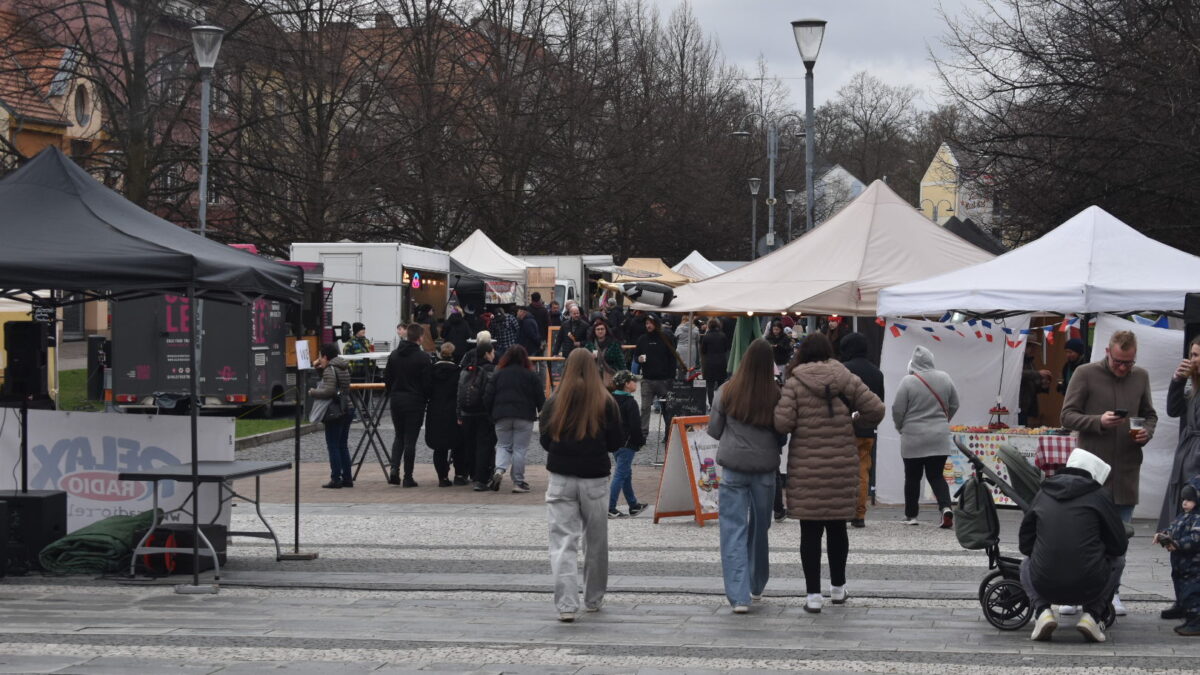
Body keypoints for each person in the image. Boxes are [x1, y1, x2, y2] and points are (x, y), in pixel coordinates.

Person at [774, 333, 884, 614]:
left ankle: (813, 596)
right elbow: (877, 409)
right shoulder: (844, 377)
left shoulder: (795, 382)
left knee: (809, 531)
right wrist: (855, 419)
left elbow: (783, 424)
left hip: (807, 469)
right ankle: (837, 588)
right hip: (841, 466)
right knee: (837, 528)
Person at [1062, 329, 1157, 615]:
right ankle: (1074, 594)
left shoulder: (1140, 376)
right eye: (1118, 361)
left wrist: (1147, 433)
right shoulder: (1084, 373)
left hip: (1126, 470)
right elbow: (1066, 415)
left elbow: (1150, 415)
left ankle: (1111, 593)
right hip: (1091, 472)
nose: (1123, 368)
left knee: (1119, 539)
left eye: (1128, 362)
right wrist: (1098, 421)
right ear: (1107, 352)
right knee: (1083, 536)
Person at [540, 348, 623, 622]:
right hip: (595, 477)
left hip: (561, 476)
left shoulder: (555, 400)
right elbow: (615, 442)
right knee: (596, 540)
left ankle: (566, 605)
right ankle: (593, 597)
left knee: (563, 541)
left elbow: (544, 438)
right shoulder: (606, 401)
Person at [1021, 449, 1128, 643]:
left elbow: (1024, 544)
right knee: (1118, 560)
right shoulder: (1100, 496)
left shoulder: (1043, 492)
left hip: (1044, 583)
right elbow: (1118, 547)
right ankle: (1092, 617)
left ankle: (1042, 611)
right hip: (1090, 584)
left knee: (1025, 563)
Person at [710, 339, 783, 612]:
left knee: (732, 529)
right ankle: (756, 584)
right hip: (764, 469)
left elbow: (715, 429)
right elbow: (782, 431)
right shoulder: (776, 394)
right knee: (760, 529)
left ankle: (738, 596)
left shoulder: (726, 391)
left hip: (733, 467)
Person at [892, 345, 959, 527]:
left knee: (912, 477)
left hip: (913, 436)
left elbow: (897, 409)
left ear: (913, 363)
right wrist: (944, 420)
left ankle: (911, 515)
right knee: (936, 475)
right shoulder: (945, 378)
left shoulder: (908, 381)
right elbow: (955, 403)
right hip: (939, 436)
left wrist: (900, 426)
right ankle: (945, 508)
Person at [1157, 336, 1200, 620]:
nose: (1193, 359)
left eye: (1198, 356)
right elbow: (1173, 410)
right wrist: (1176, 379)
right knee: (1178, 531)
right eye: (1192, 354)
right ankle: (1183, 599)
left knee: (1194, 536)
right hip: (1186, 457)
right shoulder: (1190, 386)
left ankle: (1195, 603)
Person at [484, 345, 544, 494]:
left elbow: (488, 395)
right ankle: (518, 482)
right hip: (524, 415)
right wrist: (541, 412)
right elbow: (540, 397)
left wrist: (491, 412)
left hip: (501, 415)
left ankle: (499, 470)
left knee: (503, 445)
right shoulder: (531, 375)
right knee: (519, 449)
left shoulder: (499, 373)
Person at [841, 332, 884, 528]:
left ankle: (844, 510)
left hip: (845, 429)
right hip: (867, 430)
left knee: (842, 472)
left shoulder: (844, 370)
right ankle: (860, 513)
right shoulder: (877, 373)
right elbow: (879, 403)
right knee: (862, 472)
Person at [383, 323, 431, 487]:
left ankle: (394, 469)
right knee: (410, 439)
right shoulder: (423, 358)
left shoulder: (394, 355)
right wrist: (426, 397)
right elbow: (427, 383)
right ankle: (408, 476)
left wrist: (393, 392)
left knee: (399, 436)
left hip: (396, 399)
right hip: (415, 401)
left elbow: (387, 378)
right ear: (419, 338)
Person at [1156, 477, 1200, 636]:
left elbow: (1196, 540)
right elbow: (1172, 528)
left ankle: (1196, 621)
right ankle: (1184, 609)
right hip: (1180, 564)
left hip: (1194, 566)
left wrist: (1177, 544)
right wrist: (1164, 535)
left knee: (1192, 593)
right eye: (1183, 499)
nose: (1184, 503)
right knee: (1181, 589)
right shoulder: (1183, 516)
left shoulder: (1197, 518)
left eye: (1189, 500)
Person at [310, 343, 354, 489]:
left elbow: (328, 390)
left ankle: (336, 478)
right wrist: (318, 366)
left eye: (320, 356)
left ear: (325, 357)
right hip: (347, 407)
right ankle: (347, 477)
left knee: (333, 445)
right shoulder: (343, 366)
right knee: (343, 445)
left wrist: (313, 392)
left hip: (334, 411)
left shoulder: (330, 369)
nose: (319, 359)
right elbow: (332, 382)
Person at [458, 339, 497, 491]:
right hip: (483, 413)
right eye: (492, 352)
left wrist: (459, 414)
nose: (494, 354)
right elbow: (491, 393)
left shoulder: (467, 368)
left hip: (467, 412)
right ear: (487, 354)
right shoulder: (491, 370)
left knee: (471, 444)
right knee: (484, 445)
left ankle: (473, 474)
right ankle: (482, 479)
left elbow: (458, 393)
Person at [426, 342, 465, 487]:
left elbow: (427, 390)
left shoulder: (432, 371)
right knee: (459, 444)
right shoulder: (458, 371)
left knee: (439, 446)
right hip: (454, 411)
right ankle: (460, 475)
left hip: (435, 410)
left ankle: (442, 477)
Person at [634, 314, 677, 440]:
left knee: (666, 409)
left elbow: (672, 359)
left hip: (664, 380)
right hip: (647, 380)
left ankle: (668, 434)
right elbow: (636, 356)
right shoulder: (642, 339)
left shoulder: (665, 338)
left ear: (656, 324)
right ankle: (642, 435)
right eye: (647, 323)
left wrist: (671, 378)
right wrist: (639, 359)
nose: (648, 325)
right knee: (645, 408)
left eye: (651, 323)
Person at [1019, 338, 1051, 426]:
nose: (1033, 350)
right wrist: (1038, 373)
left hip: (1028, 405)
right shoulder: (1017, 361)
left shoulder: (1030, 362)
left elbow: (1032, 383)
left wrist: (1043, 385)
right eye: (1031, 347)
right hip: (1019, 405)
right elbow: (1018, 375)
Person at [700, 318, 730, 406]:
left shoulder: (706, 336)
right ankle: (721, 404)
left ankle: (711, 403)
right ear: (718, 325)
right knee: (721, 385)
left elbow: (703, 351)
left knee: (710, 386)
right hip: (721, 362)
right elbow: (726, 348)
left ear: (709, 326)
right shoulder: (723, 335)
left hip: (709, 363)